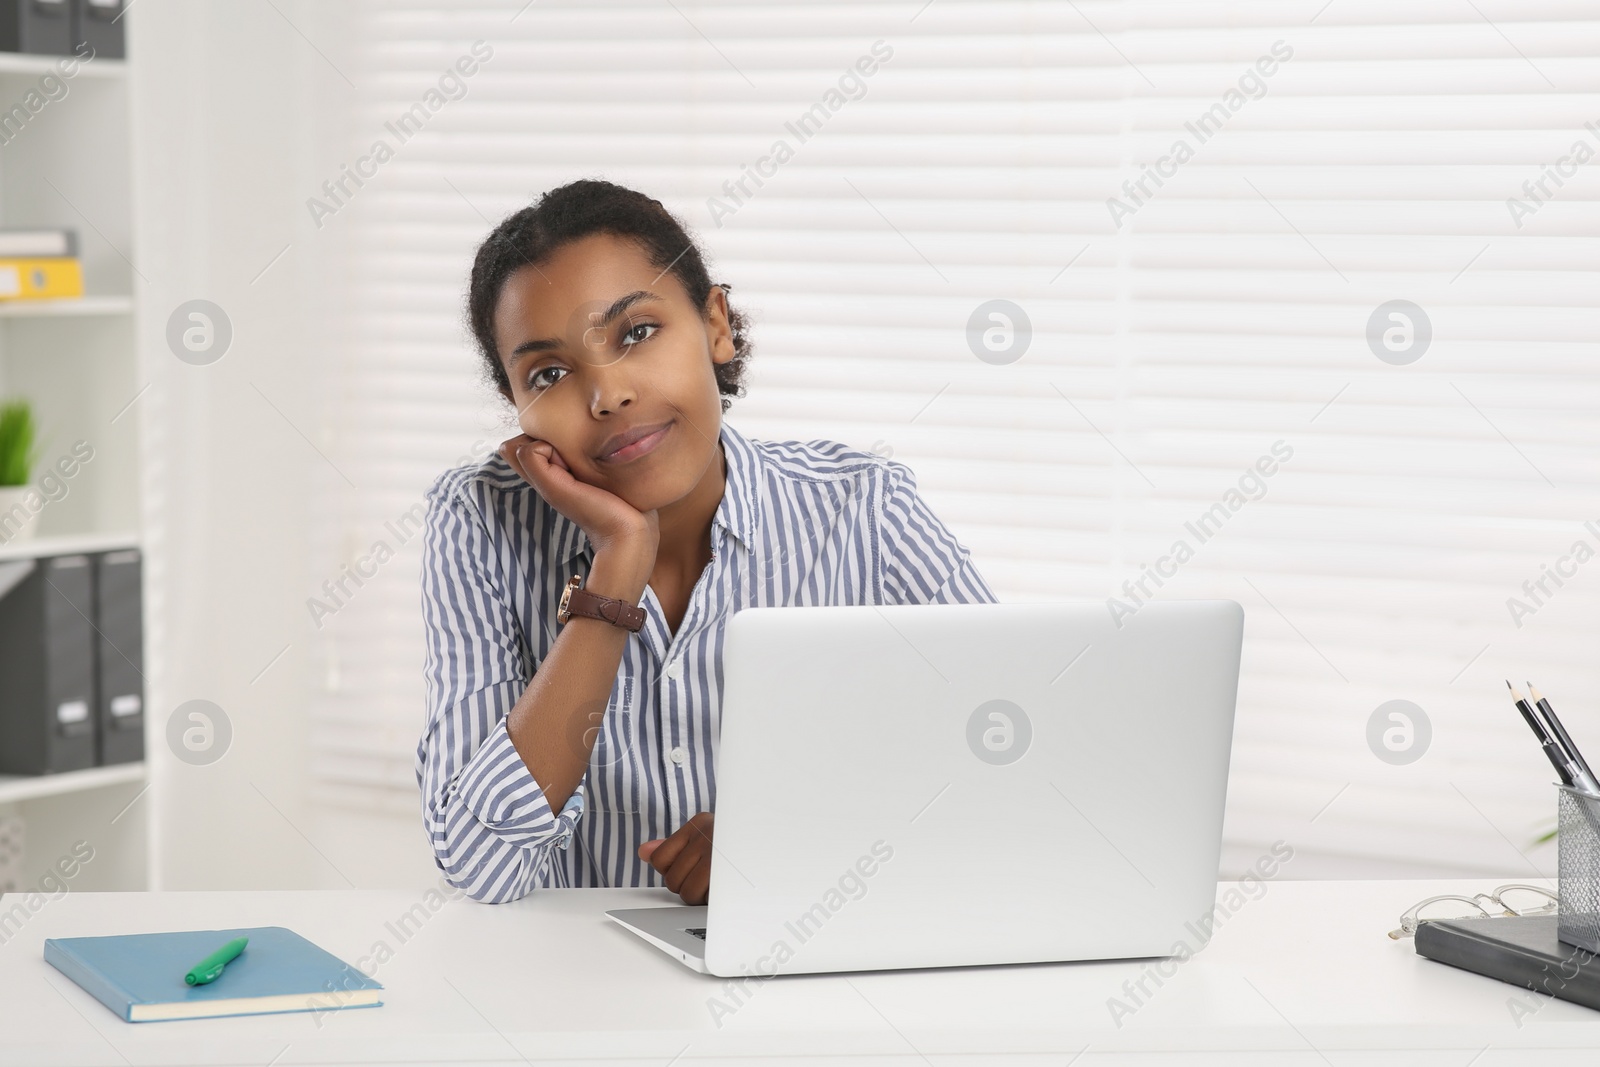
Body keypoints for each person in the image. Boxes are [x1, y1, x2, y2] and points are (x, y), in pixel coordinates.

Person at [415, 178, 996, 905]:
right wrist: (616, 571)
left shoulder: (863, 509)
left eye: (636, 333)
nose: (607, 396)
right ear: (518, 407)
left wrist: (795, 839)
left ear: (715, 324)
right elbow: (480, 866)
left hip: (814, 982)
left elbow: (1009, 763)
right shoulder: (478, 524)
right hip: (573, 1000)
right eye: (551, 373)